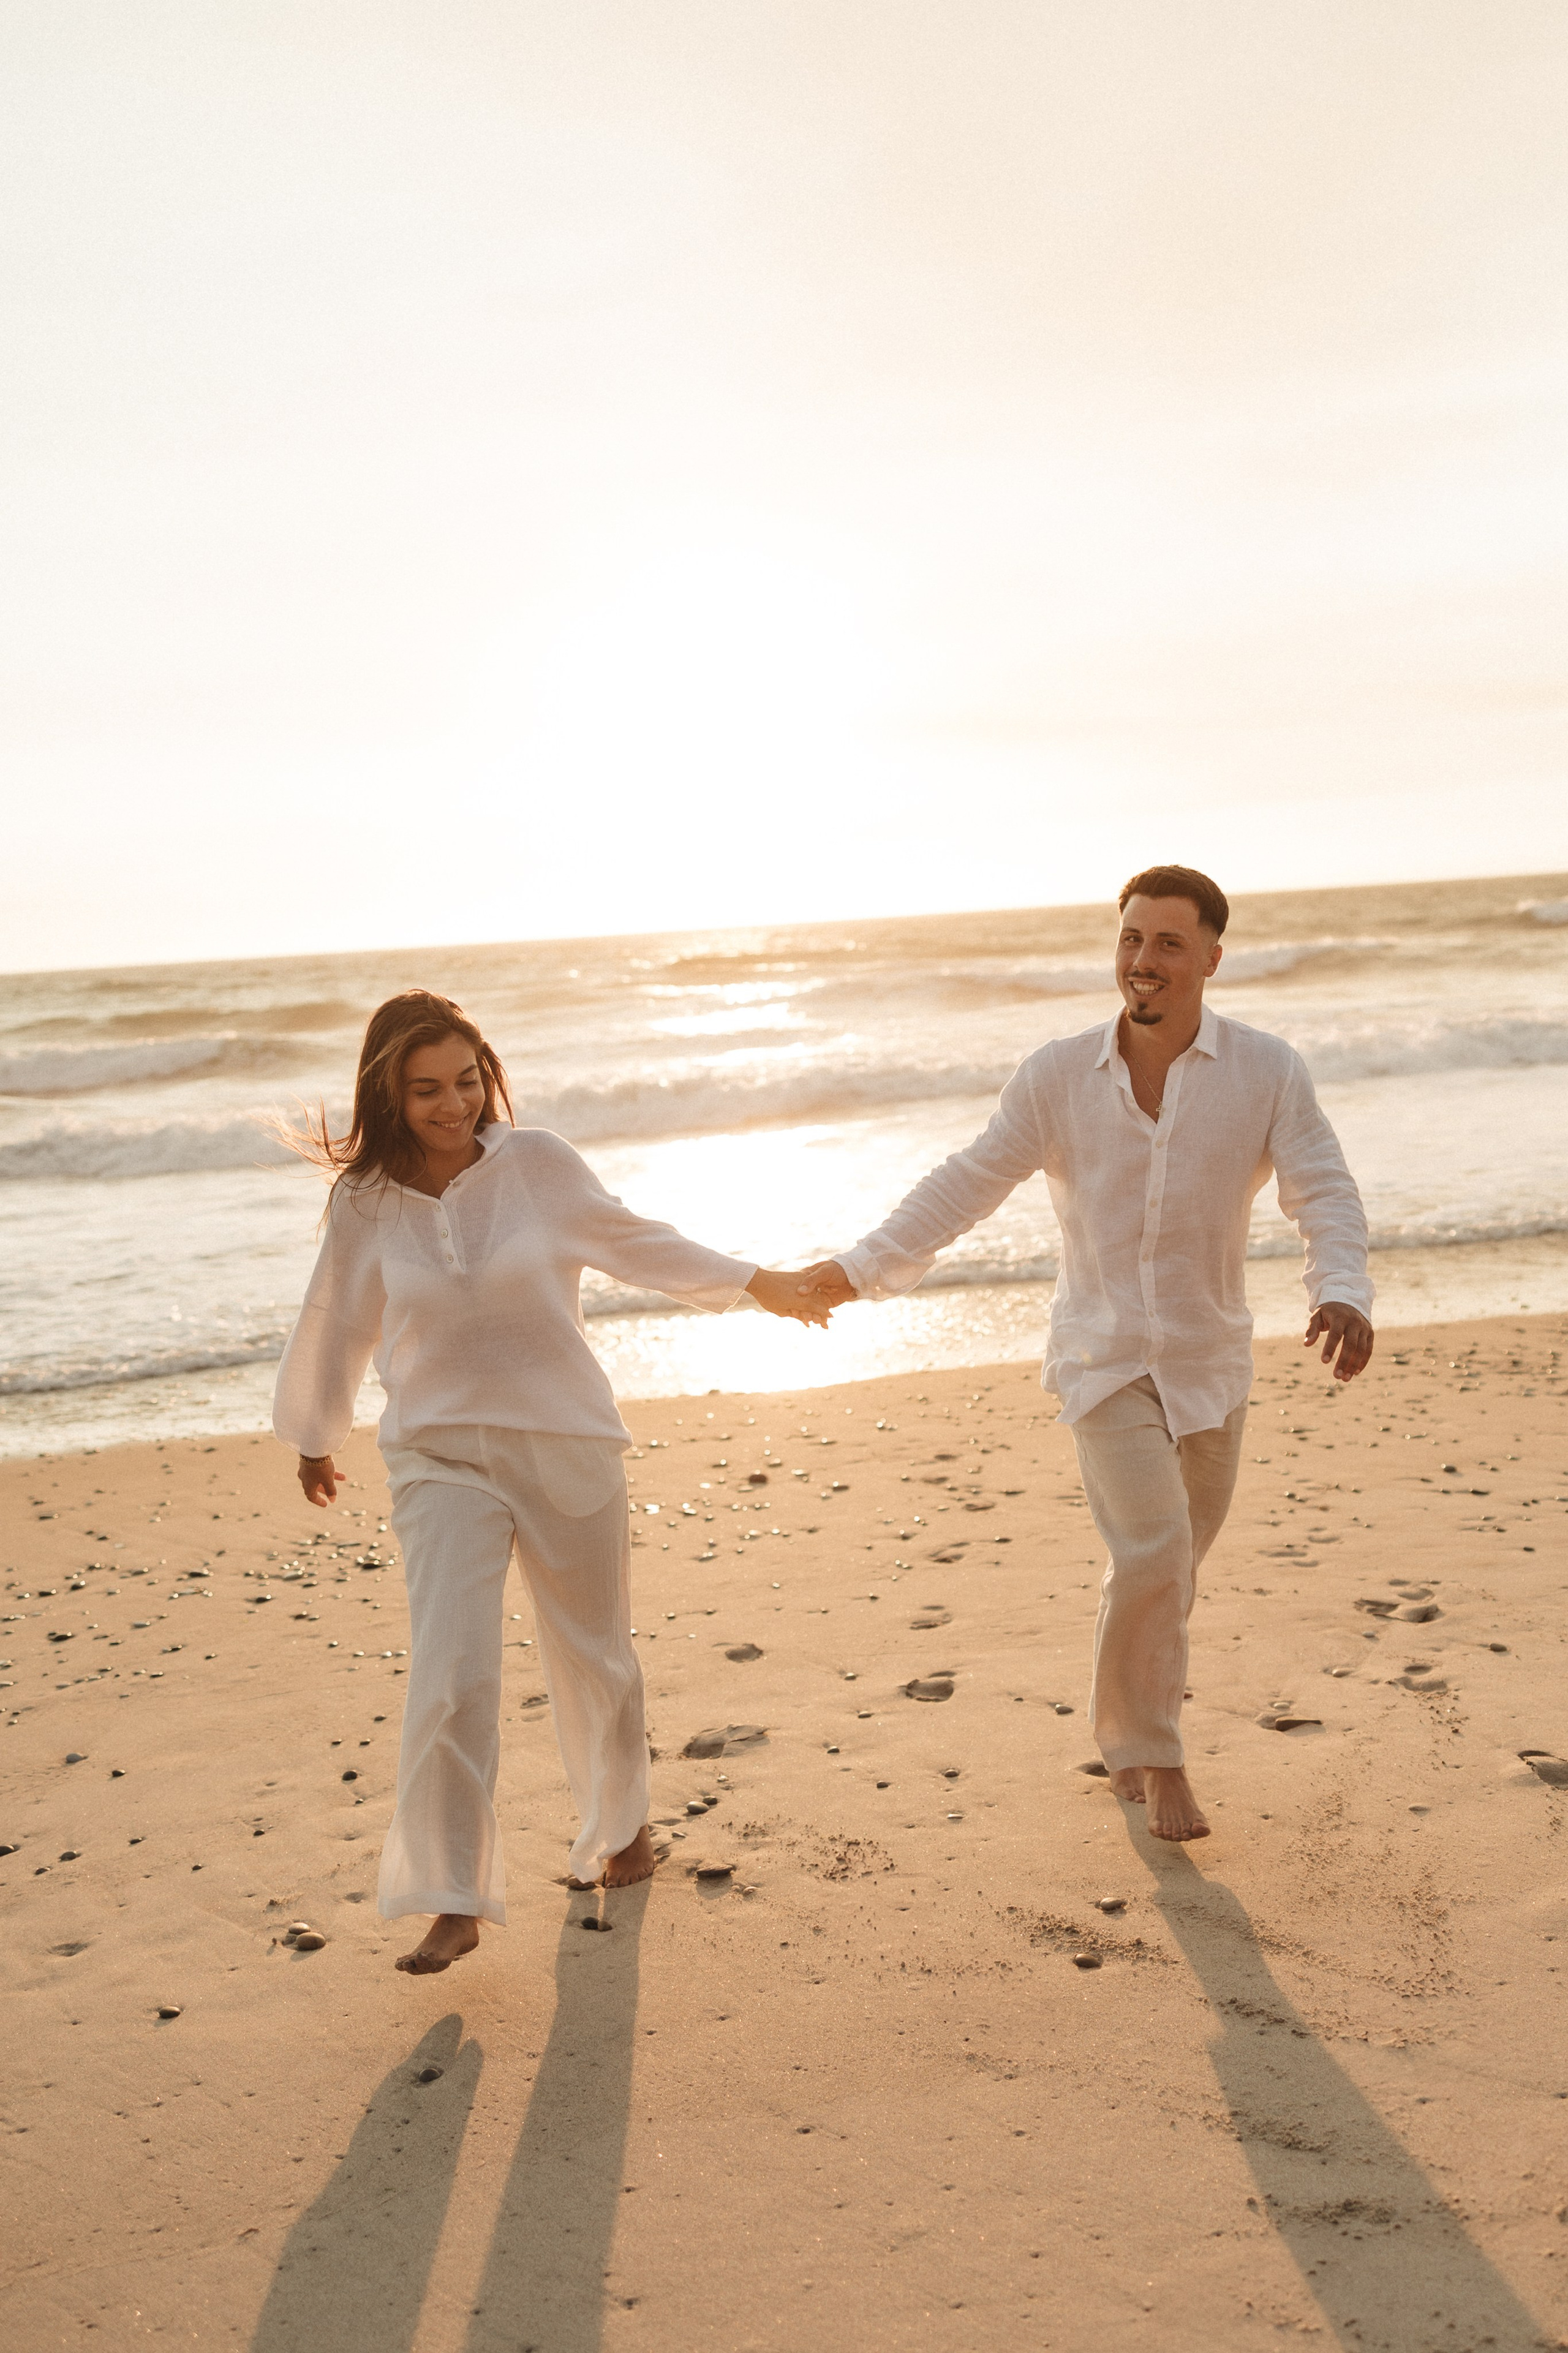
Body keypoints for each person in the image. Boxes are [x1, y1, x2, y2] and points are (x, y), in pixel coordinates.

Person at [795, 865, 1374, 1841]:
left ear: (1212, 959)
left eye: (1167, 945)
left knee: (1168, 1569)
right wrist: (859, 1269)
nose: (1142, 962)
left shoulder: (1268, 1071)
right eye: (1130, 941)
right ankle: (1159, 1758)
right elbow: (969, 1180)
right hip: (1103, 1355)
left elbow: (1323, 1185)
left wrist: (1342, 1288)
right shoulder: (1059, 1074)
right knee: (1155, 1547)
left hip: (1209, 1357)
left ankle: (1124, 1738)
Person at [273, 989, 829, 1973]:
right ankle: (451, 1895)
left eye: (468, 1079)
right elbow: (337, 1318)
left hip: (565, 1439)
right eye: (427, 1089)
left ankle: (620, 1826)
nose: (454, 1104)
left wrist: (760, 1283)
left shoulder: (537, 1166)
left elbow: (636, 1240)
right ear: (387, 1094)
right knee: (452, 1665)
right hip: (439, 1453)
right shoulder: (364, 1203)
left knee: (593, 1653)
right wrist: (316, 1433)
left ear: (489, 1072)